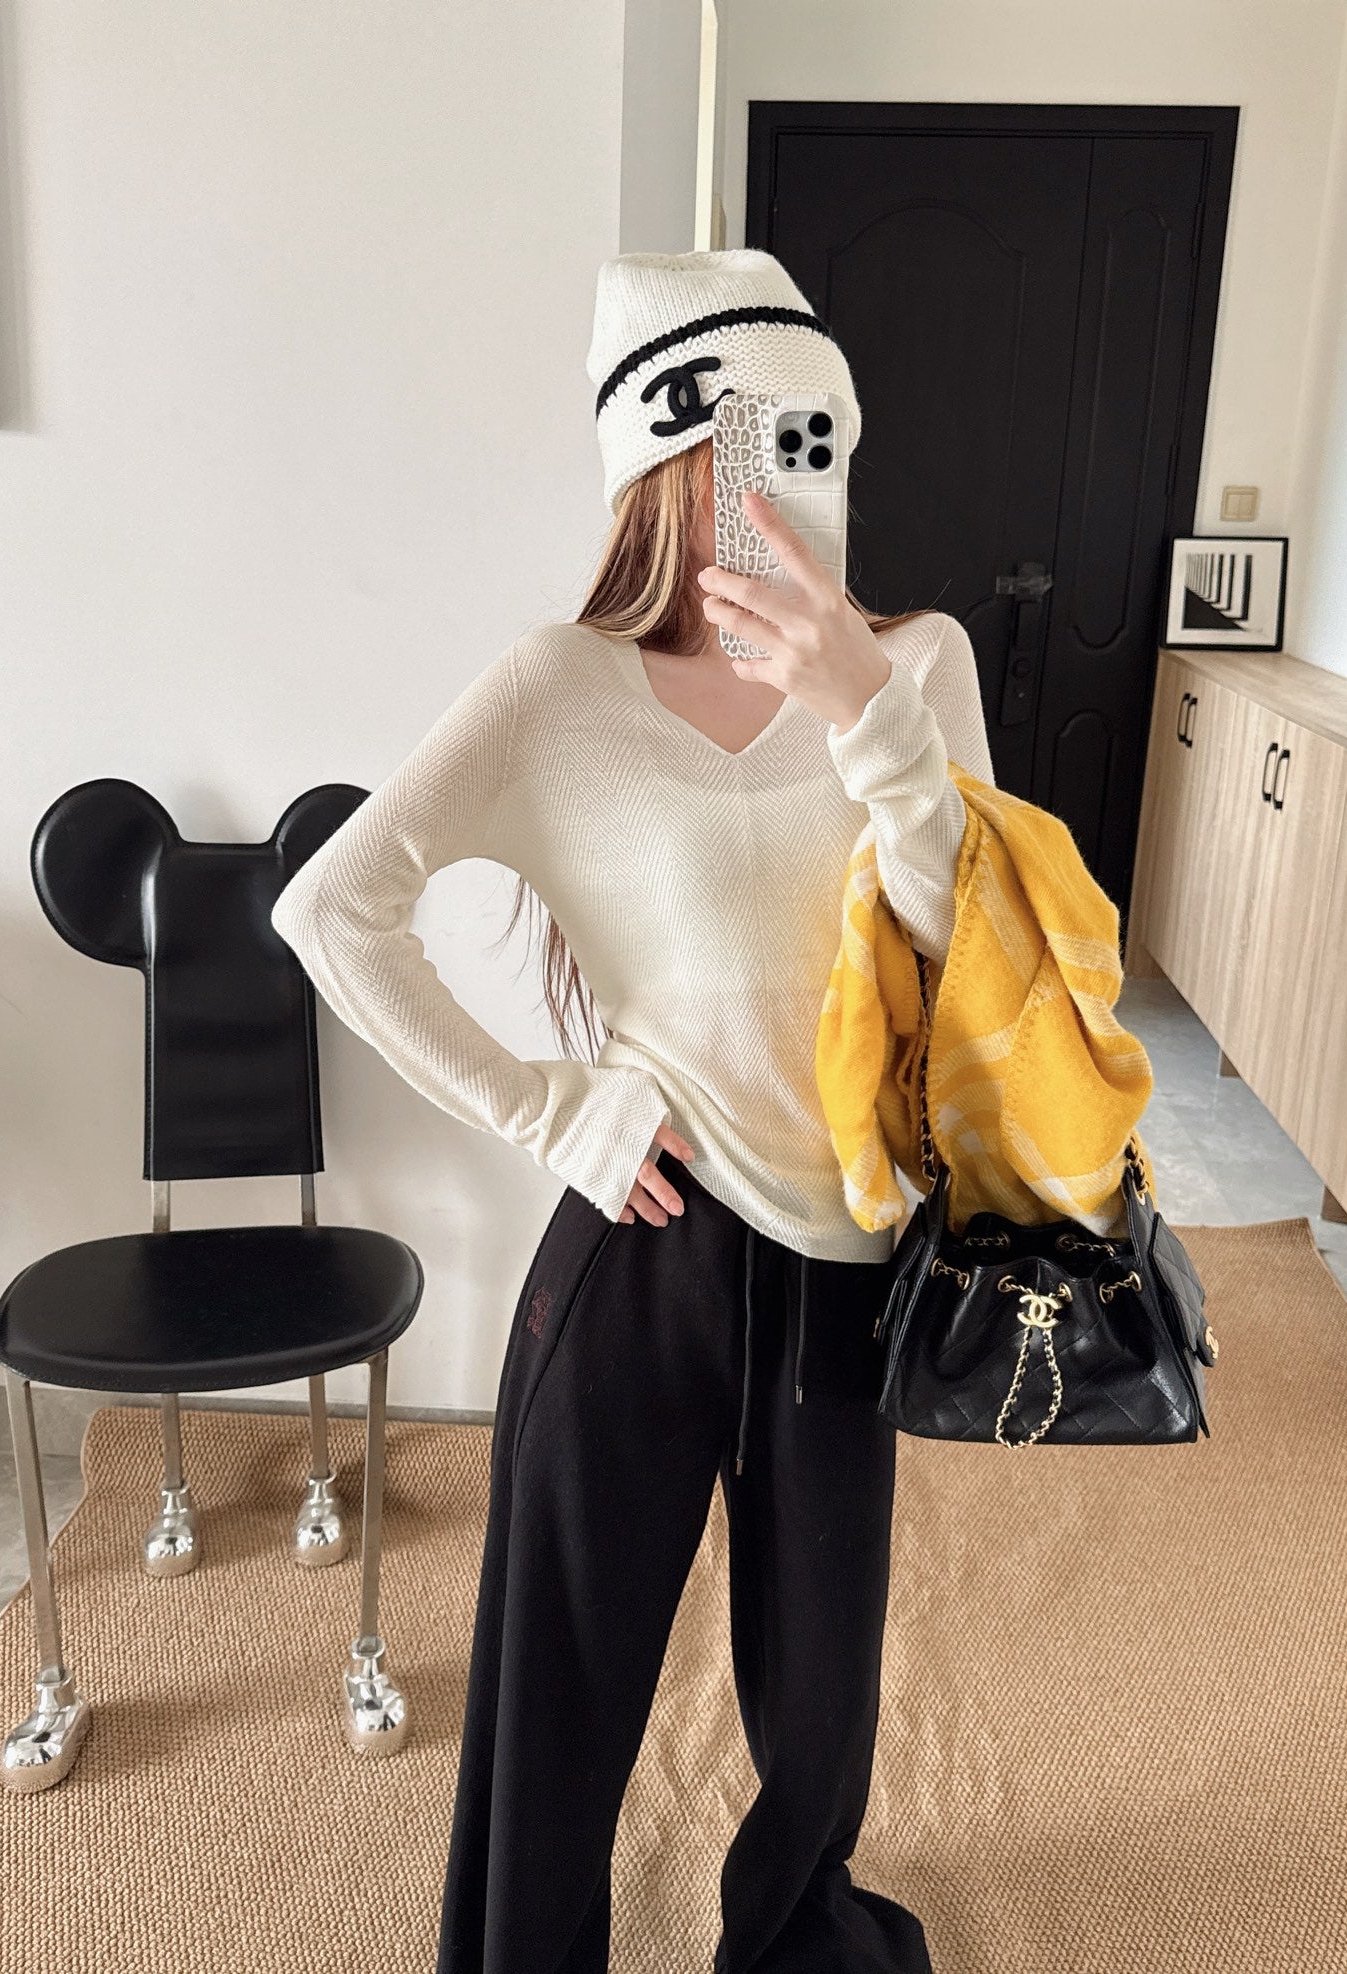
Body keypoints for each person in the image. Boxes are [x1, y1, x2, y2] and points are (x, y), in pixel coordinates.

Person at [271, 249, 995, 1974]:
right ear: (670, 465)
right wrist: (548, 1109)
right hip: (643, 1245)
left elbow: (974, 954)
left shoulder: (918, 663)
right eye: (759, 440)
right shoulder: (559, 687)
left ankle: (796, 1939)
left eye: (822, 436)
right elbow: (334, 910)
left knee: (822, 1705)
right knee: (560, 1692)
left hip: (849, 1254)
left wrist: (863, 714)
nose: (795, 479)